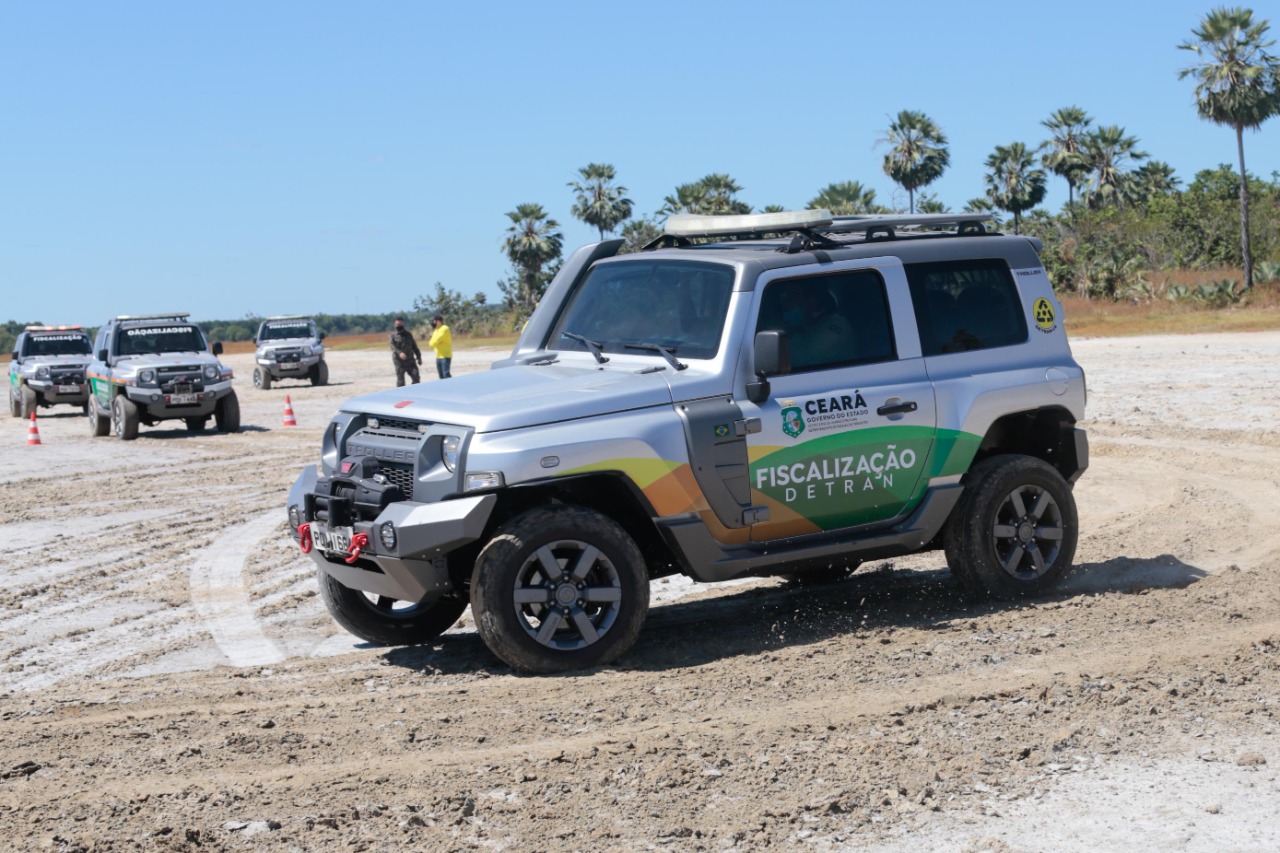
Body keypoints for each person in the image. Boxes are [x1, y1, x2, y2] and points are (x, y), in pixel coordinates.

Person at [389, 318, 421, 386]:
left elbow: (414, 346)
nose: (399, 325)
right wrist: (400, 353)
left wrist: (419, 357)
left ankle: (415, 392)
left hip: (410, 360)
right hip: (399, 361)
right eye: (397, 324)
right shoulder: (392, 335)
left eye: (400, 324)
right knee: (401, 381)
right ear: (394, 324)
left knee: (416, 377)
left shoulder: (408, 334)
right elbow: (392, 346)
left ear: (403, 324)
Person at [428, 314, 453, 379]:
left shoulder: (445, 328)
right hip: (438, 356)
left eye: (434, 321)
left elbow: (437, 340)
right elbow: (431, 342)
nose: (433, 322)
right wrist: (433, 343)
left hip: (445, 356)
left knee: (446, 374)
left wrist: (434, 343)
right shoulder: (436, 330)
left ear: (439, 321)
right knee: (441, 376)